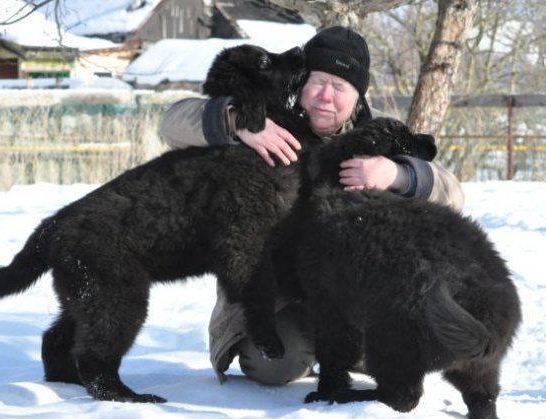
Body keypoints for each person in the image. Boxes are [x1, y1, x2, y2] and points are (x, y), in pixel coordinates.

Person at [159, 26, 465, 386]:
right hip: (274, 296)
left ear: (358, 96)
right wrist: (238, 121)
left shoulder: (377, 132)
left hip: (350, 292)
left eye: (340, 87)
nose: (325, 96)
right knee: (277, 364)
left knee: (398, 352)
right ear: (302, 80)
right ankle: (305, 343)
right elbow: (171, 123)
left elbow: (453, 195)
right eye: (318, 81)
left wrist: (396, 174)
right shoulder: (265, 111)